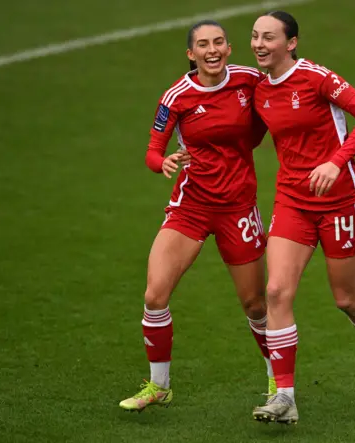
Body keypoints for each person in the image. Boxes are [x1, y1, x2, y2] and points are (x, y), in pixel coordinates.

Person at [249, 11, 355, 424]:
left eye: (269, 37)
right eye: (255, 37)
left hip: (339, 200)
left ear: (291, 43)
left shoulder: (317, 78)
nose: (260, 44)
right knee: (276, 292)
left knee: (346, 299)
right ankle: (284, 397)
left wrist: (335, 162)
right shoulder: (260, 91)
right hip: (292, 201)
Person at [118, 20, 275, 413]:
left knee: (256, 305)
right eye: (203, 44)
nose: (212, 49)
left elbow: (272, 112)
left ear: (229, 48)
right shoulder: (176, 97)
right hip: (191, 206)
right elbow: (152, 152)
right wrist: (163, 161)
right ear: (191, 54)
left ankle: (278, 381)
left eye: (218, 42)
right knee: (155, 294)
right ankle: (159, 386)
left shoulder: (248, 80)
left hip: (238, 207)